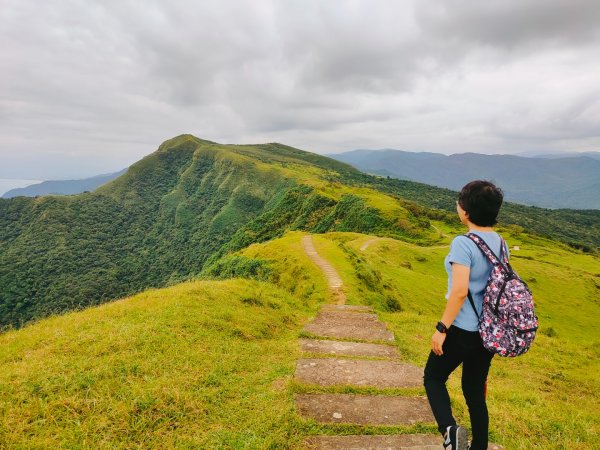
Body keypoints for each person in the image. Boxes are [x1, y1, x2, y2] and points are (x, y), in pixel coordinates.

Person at [423, 180, 506, 450]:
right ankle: (479, 445)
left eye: (460, 201)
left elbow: (459, 291)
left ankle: (450, 431)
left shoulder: (463, 243)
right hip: (488, 332)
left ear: (466, 212)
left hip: (462, 330)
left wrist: (442, 327)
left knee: (433, 378)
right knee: (474, 392)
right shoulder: (500, 243)